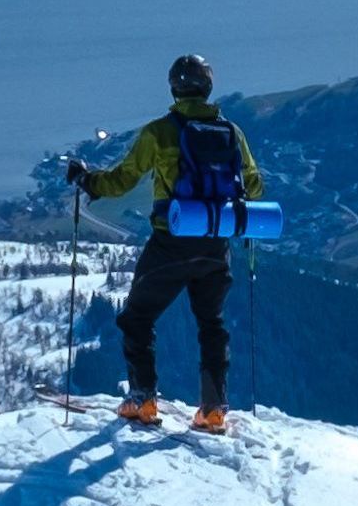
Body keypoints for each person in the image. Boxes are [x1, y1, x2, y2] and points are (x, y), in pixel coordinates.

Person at [68, 54, 262, 434]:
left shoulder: (160, 131)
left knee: (137, 317)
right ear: (207, 86)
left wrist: (87, 181)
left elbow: (122, 180)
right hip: (215, 242)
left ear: (174, 87)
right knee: (212, 322)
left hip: (170, 243)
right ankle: (214, 409)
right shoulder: (231, 132)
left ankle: (142, 400)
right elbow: (253, 185)